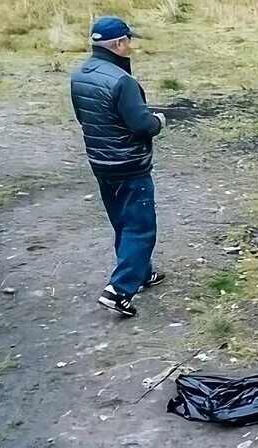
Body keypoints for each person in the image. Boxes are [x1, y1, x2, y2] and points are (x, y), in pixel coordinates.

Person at [70, 16, 167, 318]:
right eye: (128, 41)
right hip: (129, 166)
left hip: (101, 162)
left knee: (123, 223)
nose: (131, 47)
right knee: (140, 228)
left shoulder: (80, 74)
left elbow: (83, 116)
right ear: (119, 44)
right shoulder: (123, 81)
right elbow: (142, 125)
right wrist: (158, 121)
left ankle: (142, 272)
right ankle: (120, 290)